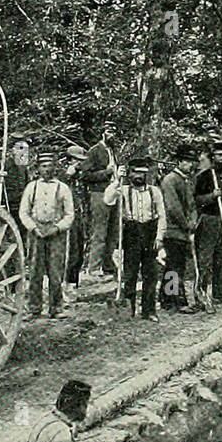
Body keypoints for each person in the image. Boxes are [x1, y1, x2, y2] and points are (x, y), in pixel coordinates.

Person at [105, 156, 165, 320]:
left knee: (150, 274)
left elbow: (162, 216)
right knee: (130, 274)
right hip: (131, 234)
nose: (138, 176)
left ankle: (149, 310)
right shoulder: (124, 190)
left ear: (147, 175)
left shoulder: (155, 192)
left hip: (150, 233)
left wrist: (159, 237)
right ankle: (128, 308)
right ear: (130, 174)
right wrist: (117, 179)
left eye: (142, 173)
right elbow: (108, 199)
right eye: (135, 173)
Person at [20, 151, 75, 319]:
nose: (47, 169)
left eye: (50, 166)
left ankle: (56, 308)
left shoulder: (62, 188)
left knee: (55, 271)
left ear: (55, 168)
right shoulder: (32, 187)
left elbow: (70, 214)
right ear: (38, 169)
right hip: (36, 232)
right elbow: (24, 212)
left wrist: (57, 228)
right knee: (35, 271)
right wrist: (33, 228)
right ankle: (34, 308)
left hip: (56, 233)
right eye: (43, 166)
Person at [194, 140, 222, 306]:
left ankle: (218, 294)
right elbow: (196, 200)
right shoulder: (205, 176)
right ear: (213, 157)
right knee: (205, 258)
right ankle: (201, 293)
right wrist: (212, 196)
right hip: (209, 219)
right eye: (219, 155)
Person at [160, 145, 200, 312]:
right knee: (173, 266)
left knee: (179, 266)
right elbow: (172, 206)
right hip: (172, 229)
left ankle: (172, 297)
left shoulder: (187, 180)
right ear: (179, 162)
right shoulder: (170, 180)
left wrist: (194, 222)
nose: (190, 165)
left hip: (185, 230)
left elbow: (192, 205)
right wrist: (186, 224)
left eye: (192, 162)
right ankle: (171, 300)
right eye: (187, 161)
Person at [79, 123, 118, 285]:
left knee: (112, 231)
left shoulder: (113, 151)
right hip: (99, 193)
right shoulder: (95, 151)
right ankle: (93, 268)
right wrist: (106, 173)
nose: (112, 135)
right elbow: (85, 175)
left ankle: (108, 266)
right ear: (103, 133)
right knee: (100, 231)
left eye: (114, 133)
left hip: (114, 192)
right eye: (109, 132)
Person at [62, 144, 90, 293]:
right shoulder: (62, 176)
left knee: (80, 250)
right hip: (67, 217)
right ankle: (65, 284)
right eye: (76, 161)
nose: (79, 164)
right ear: (69, 160)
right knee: (70, 250)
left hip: (80, 216)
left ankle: (74, 283)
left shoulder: (80, 176)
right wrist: (67, 175)